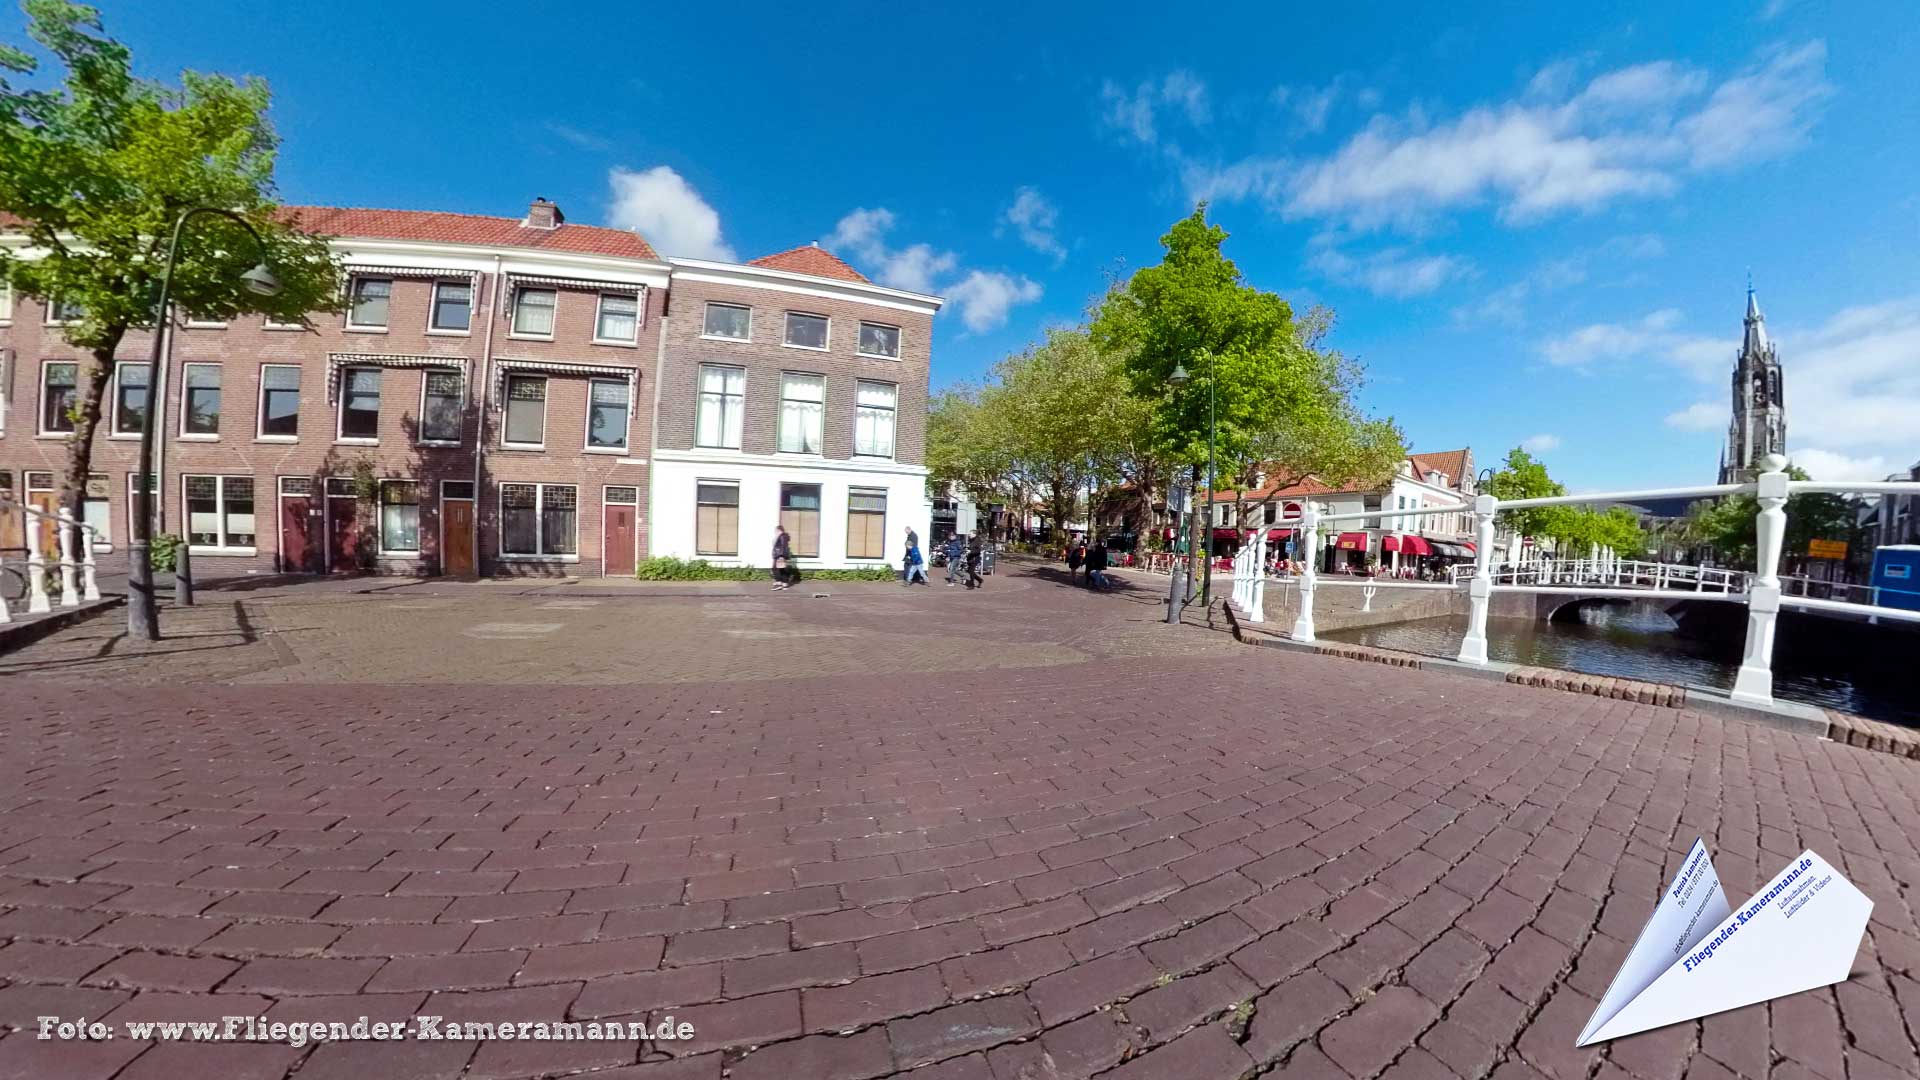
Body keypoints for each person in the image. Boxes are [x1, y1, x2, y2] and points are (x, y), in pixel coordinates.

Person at [771, 524, 794, 591]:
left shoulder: (782, 536)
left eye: (776, 530)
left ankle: (780, 583)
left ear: (779, 530)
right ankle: (784, 584)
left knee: (777, 569)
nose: (775, 531)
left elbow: (783, 547)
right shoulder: (780, 536)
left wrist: (781, 556)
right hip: (777, 555)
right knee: (780, 569)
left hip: (779, 555)